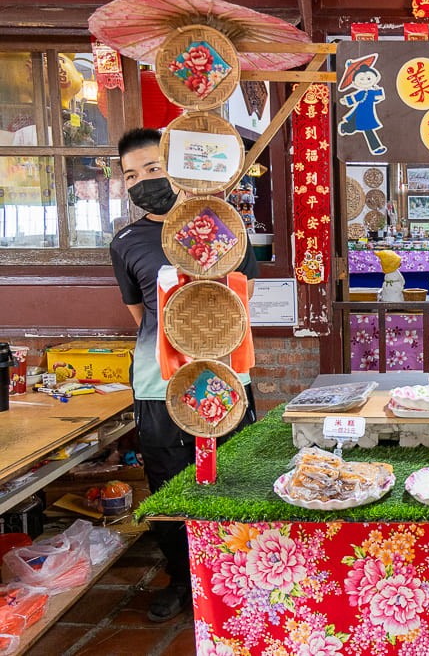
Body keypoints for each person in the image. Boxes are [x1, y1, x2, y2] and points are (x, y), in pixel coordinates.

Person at [109, 128, 260, 622]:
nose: (143, 181)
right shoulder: (126, 242)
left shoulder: (220, 225)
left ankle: (239, 574)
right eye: (131, 175)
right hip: (159, 383)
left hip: (222, 373)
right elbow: (141, 314)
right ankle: (182, 579)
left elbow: (244, 297)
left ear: (176, 168)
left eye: (153, 168)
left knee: (234, 471)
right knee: (168, 479)